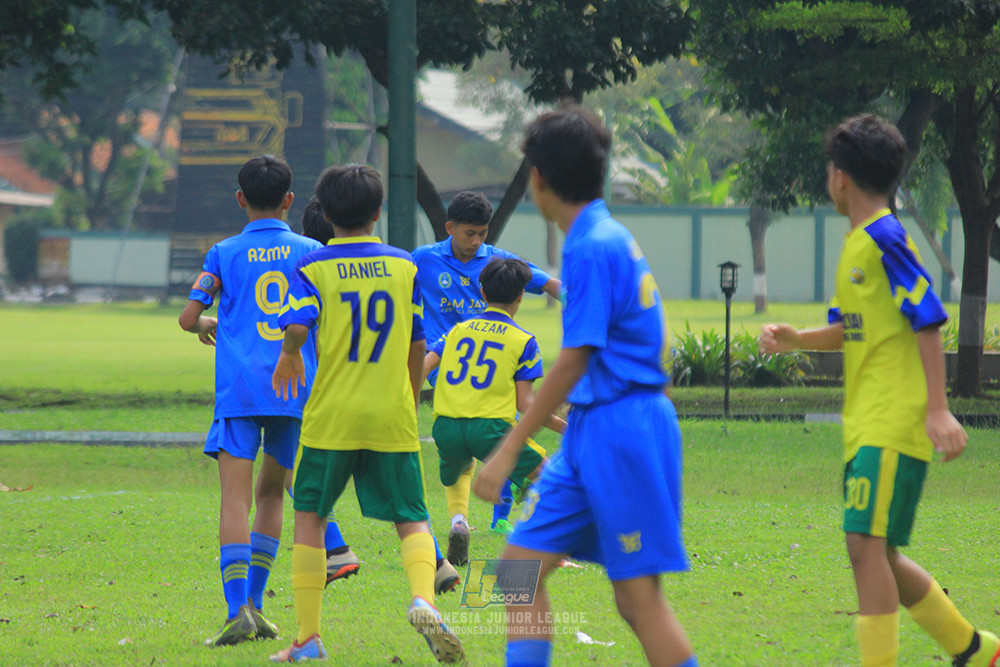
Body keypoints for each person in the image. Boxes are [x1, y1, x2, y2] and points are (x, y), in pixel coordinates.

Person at [759, 113, 997, 667]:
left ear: (840, 176)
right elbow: (853, 328)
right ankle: (974, 649)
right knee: (880, 553)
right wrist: (798, 340)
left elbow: (928, 317)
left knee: (864, 548)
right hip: (866, 425)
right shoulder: (857, 245)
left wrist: (938, 409)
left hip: (894, 424)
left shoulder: (885, 236)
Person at [473, 107, 697, 667]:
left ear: (539, 177)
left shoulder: (592, 244)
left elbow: (576, 359)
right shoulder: (601, 234)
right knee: (518, 567)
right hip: (594, 430)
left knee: (638, 601)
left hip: (622, 430)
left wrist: (506, 452)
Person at [270, 164, 464, 664]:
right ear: (378, 213)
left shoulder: (312, 266)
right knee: (412, 515)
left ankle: (308, 640)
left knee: (310, 516)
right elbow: (418, 341)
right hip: (391, 414)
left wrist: (291, 353)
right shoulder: (405, 266)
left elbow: (296, 323)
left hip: (332, 414)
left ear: (325, 212)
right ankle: (423, 599)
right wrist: (409, 395)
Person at [178, 155, 319, 647]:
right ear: (289, 200)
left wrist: (206, 323)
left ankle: (236, 608)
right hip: (292, 390)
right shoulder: (312, 251)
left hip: (239, 391)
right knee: (272, 494)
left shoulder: (223, 252)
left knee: (234, 497)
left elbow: (187, 317)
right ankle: (257, 606)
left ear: (240, 199)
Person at [412, 191, 562, 541]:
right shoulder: (423, 260)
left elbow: (551, 284)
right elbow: (528, 404)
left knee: (471, 450)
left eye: (483, 233)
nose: (477, 241)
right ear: (449, 228)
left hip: (452, 380)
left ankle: (466, 521)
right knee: (509, 439)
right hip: (478, 369)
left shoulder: (497, 262)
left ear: (482, 291)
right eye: (470, 234)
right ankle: (528, 534)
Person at [423, 257, 566, 566]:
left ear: (483, 293)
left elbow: (423, 367)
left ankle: (458, 521)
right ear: (520, 296)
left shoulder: (457, 330)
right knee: (549, 477)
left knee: (461, 469)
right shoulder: (523, 341)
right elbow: (526, 404)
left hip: (445, 427)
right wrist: (565, 426)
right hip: (490, 431)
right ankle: (548, 551)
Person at [297, 196, 361, 585]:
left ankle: (335, 550)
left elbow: (300, 330)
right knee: (402, 499)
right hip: (369, 391)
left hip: (318, 389)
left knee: (300, 483)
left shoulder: (311, 270)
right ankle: (436, 563)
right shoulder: (380, 269)